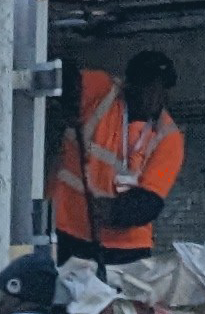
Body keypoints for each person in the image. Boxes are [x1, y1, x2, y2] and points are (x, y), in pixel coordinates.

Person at [49, 50, 185, 272]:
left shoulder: (170, 139)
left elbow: (149, 201)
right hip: (69, 230)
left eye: (160, 88)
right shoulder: (102, 92)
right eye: (147, 85)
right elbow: (65, 75)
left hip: (128, 249)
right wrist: (68, 98)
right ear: (129, 84)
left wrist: (112, 212)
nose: (153, 95)